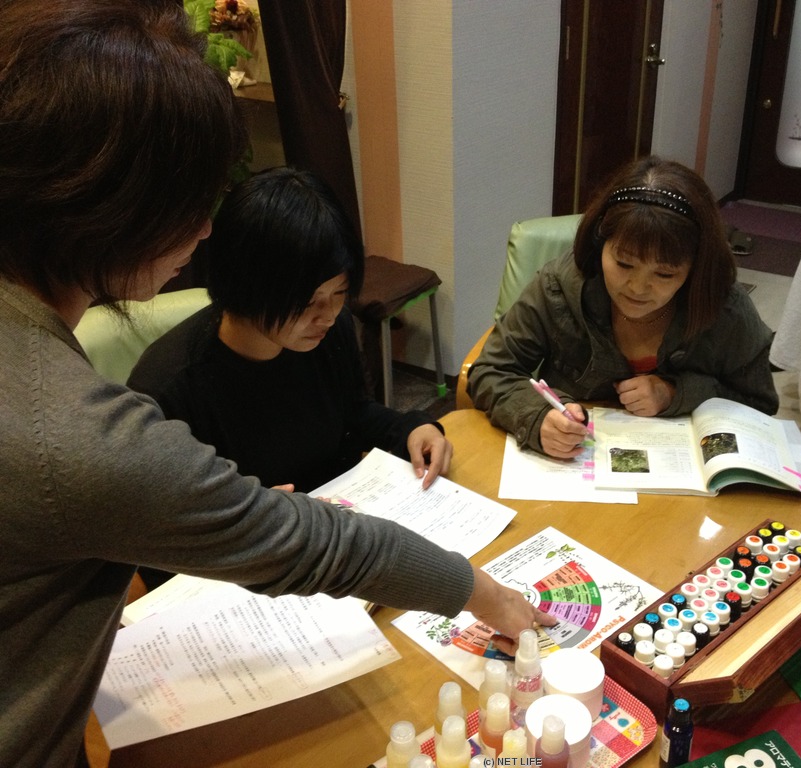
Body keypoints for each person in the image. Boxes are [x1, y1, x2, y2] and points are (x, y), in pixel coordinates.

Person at [0, 4, 548, 765]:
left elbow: (354, 417)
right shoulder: (92, 428)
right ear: (112, 208)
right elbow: (304, 544)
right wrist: (482, 594)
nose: (203, 232)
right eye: (193, 206)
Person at [128, 167, 452, 494]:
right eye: (309, 301)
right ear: (247, 286)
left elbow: (352, 413)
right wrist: (257, 510)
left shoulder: (328, 330)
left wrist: (412, 428)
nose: (328, 315)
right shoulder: (169, 390)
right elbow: (166, 509)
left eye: (339, 293)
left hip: (342, 509)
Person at [467, 156, 778, 459]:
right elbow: (490, 370)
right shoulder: (558, 286)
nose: (637, 288)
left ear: (696, 268)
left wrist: (676, 393)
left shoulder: (724, 307)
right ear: (600, 243)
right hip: (574, 466)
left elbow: (759, 405)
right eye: (624, 263)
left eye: (664, 274)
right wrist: (537, 417)